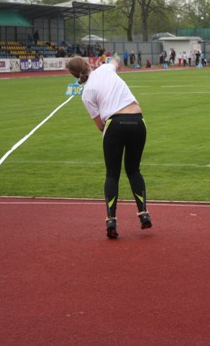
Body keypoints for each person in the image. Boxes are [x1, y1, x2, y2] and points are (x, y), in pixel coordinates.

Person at [65, 56, 152, 239]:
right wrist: (115, 58)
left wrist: (115, 134)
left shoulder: (86, 92)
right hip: (138, 120)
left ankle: (111, 219)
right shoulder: (105, 69)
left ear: (74, 76)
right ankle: (143, 213)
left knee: (112, 174)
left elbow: (100, 125)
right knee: (134, 170)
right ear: (89, 64)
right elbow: (116, 61)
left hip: (114, 123)